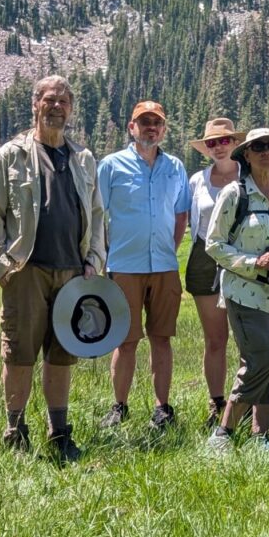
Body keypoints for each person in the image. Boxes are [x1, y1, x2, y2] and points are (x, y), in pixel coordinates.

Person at [0, 75, 105, 462]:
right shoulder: (10, 156)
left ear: (71, 110)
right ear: (35, 105)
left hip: (72, 273)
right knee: (19, 353)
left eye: (63, 102)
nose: (56, 107)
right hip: (26, 271)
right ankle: (15, 432)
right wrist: (2, 267)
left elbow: (98, 215)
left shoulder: (83, 158)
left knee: (62, 355)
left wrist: (94, 260)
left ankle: (59, 434)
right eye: (49, 100)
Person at [205, 128, 269, 451]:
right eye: (258, 147)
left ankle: (261, 435)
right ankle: (223, 433)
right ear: (246, 155)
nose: (266, 152)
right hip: (244, 290)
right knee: (262, 358)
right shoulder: (235, 194)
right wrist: (254, 263)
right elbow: (214, 244)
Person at [96, 100, 191, 430]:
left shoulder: (175, 167)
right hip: (124, 265)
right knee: (125, 340)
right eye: (144, 121)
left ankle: (162, 408)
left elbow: (181, 214)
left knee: (161, 338)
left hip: (164, 266)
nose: (151, 127)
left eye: (157, 123)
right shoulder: (111, 166)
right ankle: (119, 406)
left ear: (163, 130)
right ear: (131, 127)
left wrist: (170, 251)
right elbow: (96, 215)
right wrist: (100, 256)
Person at [186, 118, 247, 427]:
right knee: (215, 339)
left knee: (247, 338)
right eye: (212, 143)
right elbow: (190, 221)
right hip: (205, 258)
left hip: (243, 258)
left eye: (224, 141)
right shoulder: (197, 180)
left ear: (235, 143)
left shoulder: (249, 176)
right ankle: (217, 401)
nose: (219, 147)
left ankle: (245, 401)